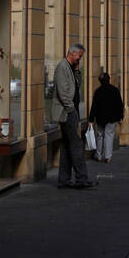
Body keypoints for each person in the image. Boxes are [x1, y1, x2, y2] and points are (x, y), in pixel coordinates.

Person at [51, 44, 96, 189]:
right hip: (67, 112)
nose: (80, 58)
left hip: (71, 110)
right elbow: (63, 93)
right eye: (80, 56)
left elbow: (77, 86)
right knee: (76, 144)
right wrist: (71, 109)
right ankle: (82, 178)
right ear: (72, 53)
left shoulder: (71, 67)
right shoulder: (62, 67)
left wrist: (77, 71)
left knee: (66, 145)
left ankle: (64, 180)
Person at [88, 71, 124, 163]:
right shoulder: (115, 90)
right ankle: (108, 156)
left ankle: (99, 155)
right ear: (109, 80)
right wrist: (120, 117)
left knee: (100, 136)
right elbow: (119, 105)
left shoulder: (98, 91)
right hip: (111, 118)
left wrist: (91, 119)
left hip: (100, 118)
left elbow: (94, 106)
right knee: (109, 136)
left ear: (100, 81)